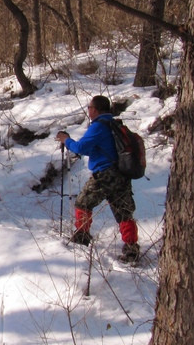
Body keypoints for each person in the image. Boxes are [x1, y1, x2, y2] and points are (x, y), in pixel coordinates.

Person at [55, 95, 140, 264]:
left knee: (83, 203)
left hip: (104, 174)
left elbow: (81, 147)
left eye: (89, 107)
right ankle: (131, 250)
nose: (88, 111)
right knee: (123, 211)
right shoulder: (114, 124)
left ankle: (81, 237)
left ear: (94, 109)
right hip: (121, 173)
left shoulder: (99, 126)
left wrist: (66, 140)